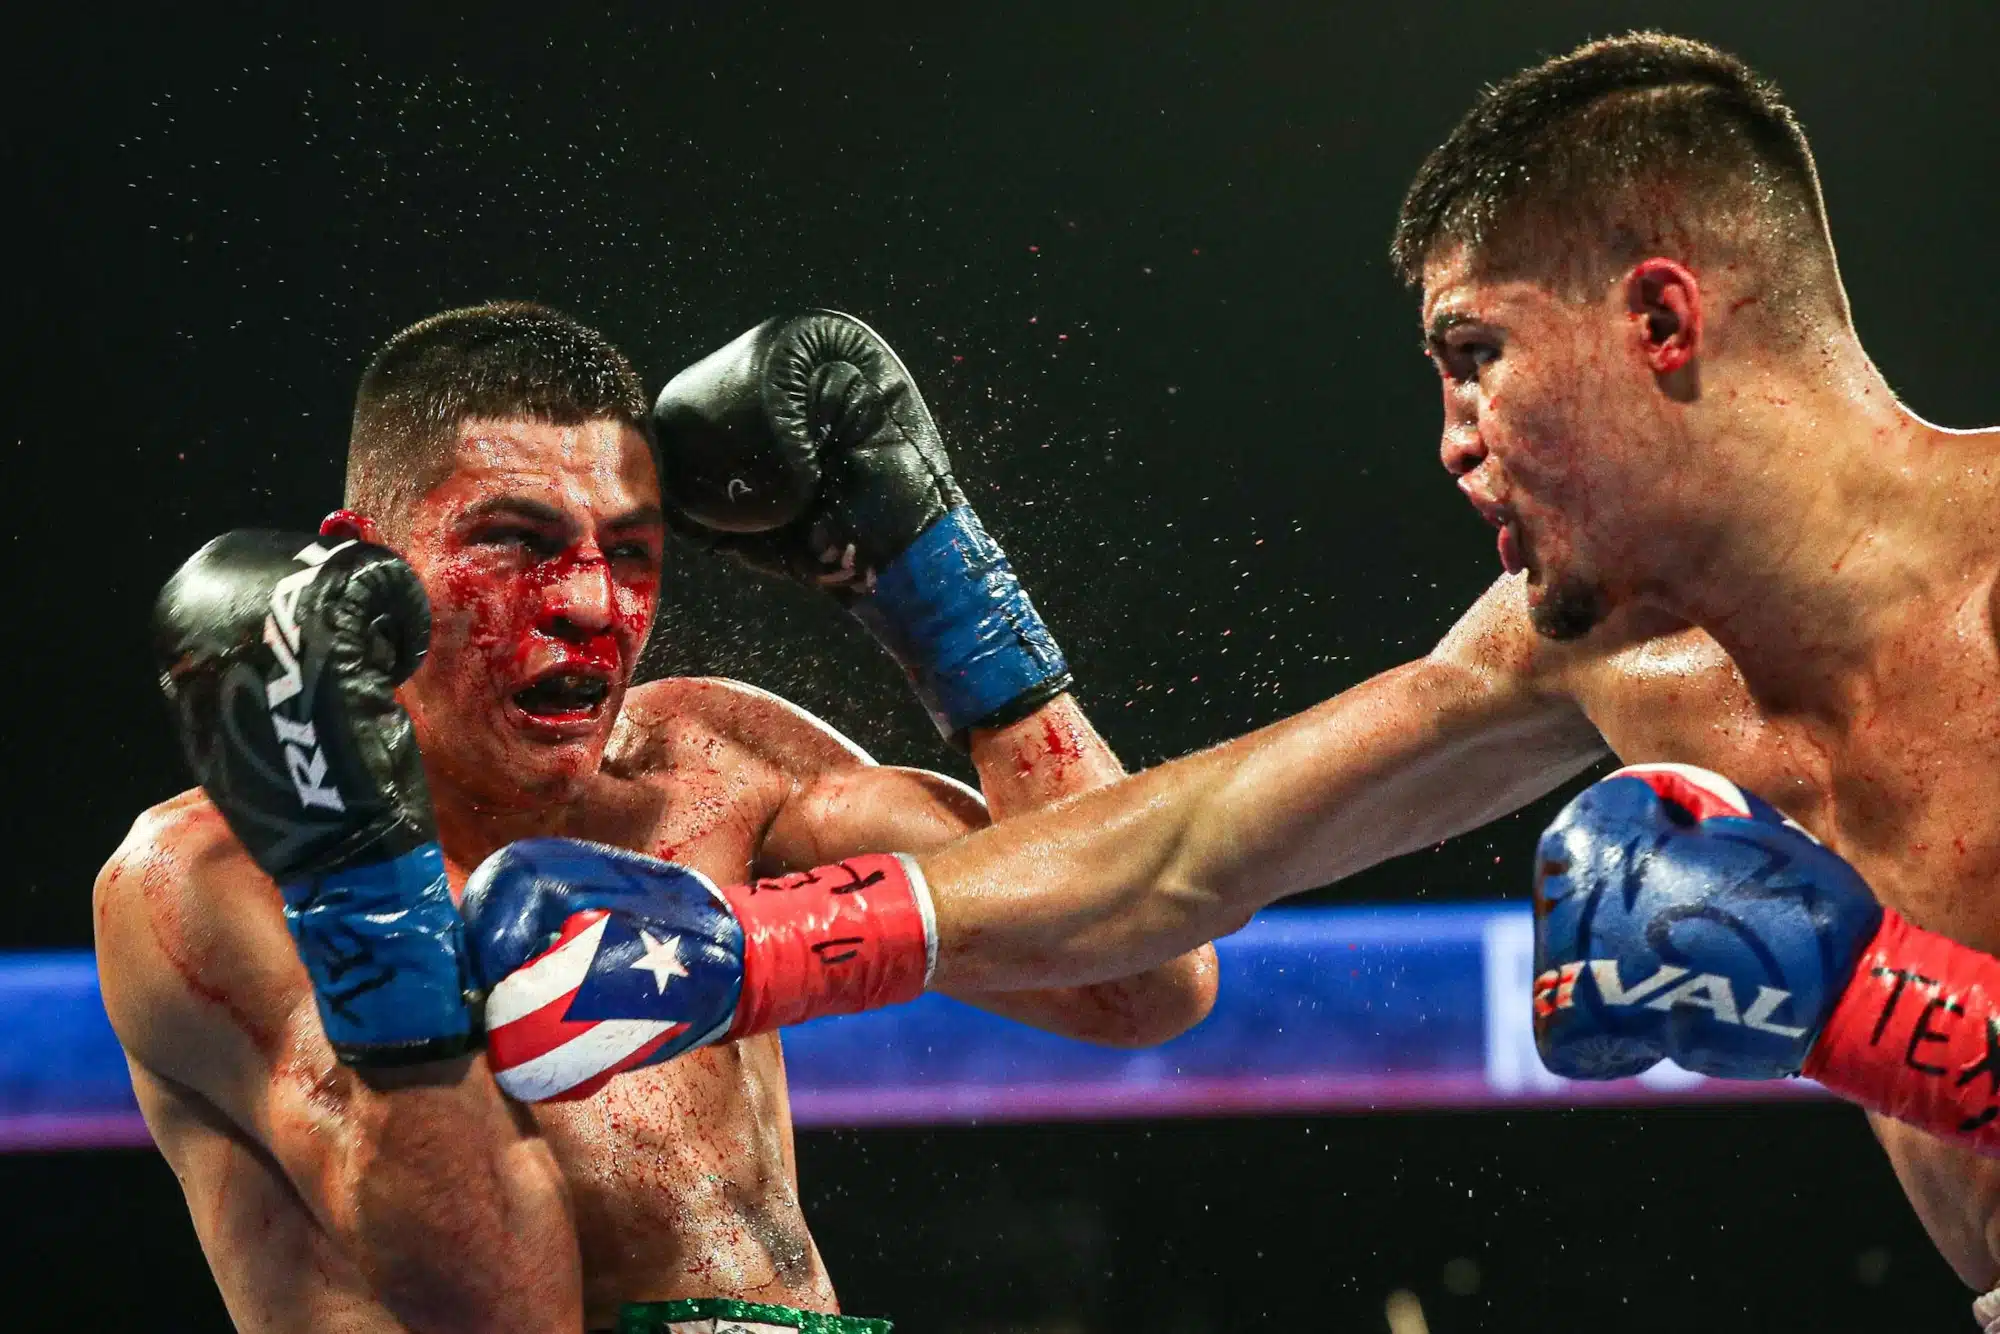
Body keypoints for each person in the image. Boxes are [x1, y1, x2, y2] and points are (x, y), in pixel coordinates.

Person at [423, 34, 2000, 1328]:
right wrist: (749, 952)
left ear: (1660, 315)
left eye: (1477, 357)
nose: (1452, 442)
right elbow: (1182, 857)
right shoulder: (1592, 645)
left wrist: (1863, 1007)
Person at [103, 302, 1216, 1334]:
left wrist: (944, 592)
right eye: (516, 538)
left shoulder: (714, 763)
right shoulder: (212, 875)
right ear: (364, 562)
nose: (591, 603)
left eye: (629, 550)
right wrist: (359, 867)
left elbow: (1140, 978)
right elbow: (501, 1307)